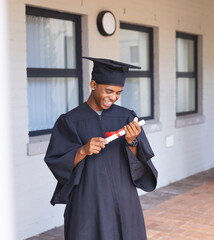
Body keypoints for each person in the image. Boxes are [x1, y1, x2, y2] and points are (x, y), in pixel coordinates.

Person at [44, 57, 158, 240]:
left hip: (123, 199)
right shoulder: (70, 121)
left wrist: (131, 142)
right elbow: (57, 162)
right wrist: (83, 150)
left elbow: (141, 166)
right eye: (109, 91)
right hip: (88, 200)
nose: (113, 97)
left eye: (118, 93)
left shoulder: (126, 117)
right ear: (93, 84)